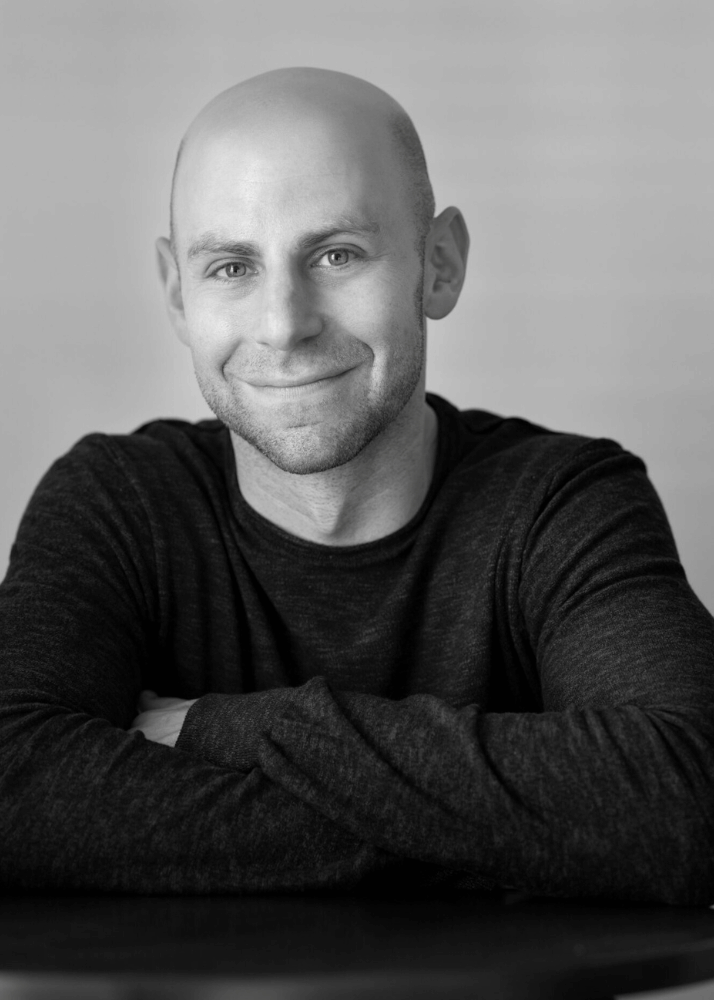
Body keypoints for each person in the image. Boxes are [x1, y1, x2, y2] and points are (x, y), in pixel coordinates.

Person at [1, 67, 713, 904]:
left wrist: (221, 727)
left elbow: (686, 802)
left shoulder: (563, 501)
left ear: (438, 264)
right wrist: (527, 838)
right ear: (176, 293)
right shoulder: (117, 503)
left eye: (337, 254)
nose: (283, 324)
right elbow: (15, 786)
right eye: (231, 267)